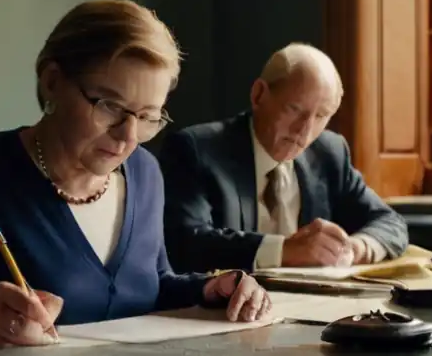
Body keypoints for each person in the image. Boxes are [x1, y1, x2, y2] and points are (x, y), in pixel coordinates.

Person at [0, 0, 271, 349]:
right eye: (110, 106)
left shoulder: (145, 173)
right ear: (53, 81)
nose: (129, 137)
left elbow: (150, 286)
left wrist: (210, 288)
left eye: (147, 117)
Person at [159, 43, 408, 274]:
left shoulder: (329, 152)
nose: (305, 130)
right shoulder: (197, 149)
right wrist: (284, 251)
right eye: (295, 109)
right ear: (258, 95)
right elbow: (185, 243)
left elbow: (390, 222)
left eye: (321, 116)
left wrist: (354, 248)